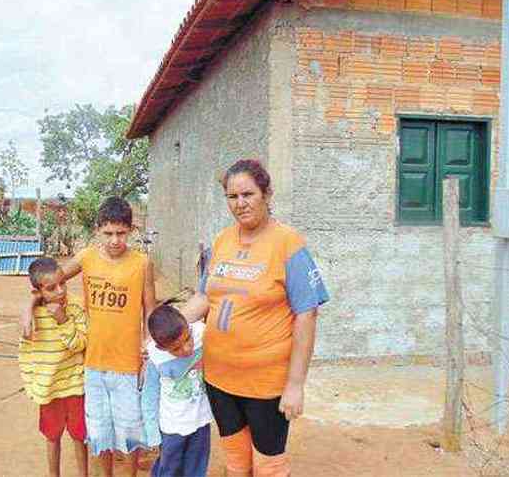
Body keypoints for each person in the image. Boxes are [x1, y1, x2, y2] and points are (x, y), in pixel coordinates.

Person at [183, 159, 329, 477]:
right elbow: (204, 297)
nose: (240, 204)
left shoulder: (288, 244)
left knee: (269, 467)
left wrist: (295, 385)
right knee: (236, 462)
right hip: (219, 378)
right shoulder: (222, 240)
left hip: (265, 384)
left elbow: (307, 315)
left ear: (266, 194)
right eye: (233, 197)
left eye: (248, 194)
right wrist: (168, 325)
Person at [23, 196, 156, 477]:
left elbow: (150, 310)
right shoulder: (86, 258)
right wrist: (28, 309)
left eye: (121, 233)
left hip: (128, 366)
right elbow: (49, 282)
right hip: (92, 365)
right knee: (99, 436)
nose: (114, 241)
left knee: (130, 436)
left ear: (131, 231)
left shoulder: (142, 263)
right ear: (98, 231)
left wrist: (148, 347)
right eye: (108, 233)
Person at [19, 257, 89, 477]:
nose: (60, 291)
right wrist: (33, 384)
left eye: (63, 283)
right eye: (51, 288)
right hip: (48, 389)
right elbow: (26, 354)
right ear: (38, 291)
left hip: (75, 385)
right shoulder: (32, 318)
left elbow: (81, 344)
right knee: (52, 437)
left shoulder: (75, 306)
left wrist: (62, 320)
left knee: (80, 436)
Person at [141, 304, 212, 477]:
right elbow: (149, 397)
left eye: (188, 340)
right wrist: (152, 433)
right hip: (172, 427)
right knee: (169, 468)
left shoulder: (201, 332)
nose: (186, 349)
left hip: (201, 421)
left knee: (197, 467)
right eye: (176, 349)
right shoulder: (156, 359)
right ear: (161, 348)